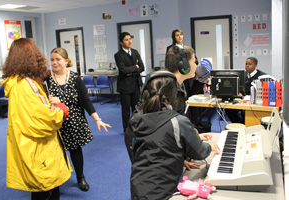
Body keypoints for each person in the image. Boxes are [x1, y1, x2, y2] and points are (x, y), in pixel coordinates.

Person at [129, 71, 221, 200]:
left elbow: (156, 144)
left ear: (146, 94)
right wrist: (209, 147)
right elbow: (199, 152)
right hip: (162, 191)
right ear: (175, 96)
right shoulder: (177, 122)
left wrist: (180, 157)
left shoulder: (138, 120)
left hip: (138, 187)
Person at [1, 38, 72, 200]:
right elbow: (44, 120)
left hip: (28, 146)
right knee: (47, 192)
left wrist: (48, 103)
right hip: (40, 150)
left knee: (40, 192)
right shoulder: (26, 85)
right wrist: (61, 109)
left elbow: (34, 111)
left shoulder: (16, 83)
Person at [45, 47, 111, 192]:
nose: (54, 63)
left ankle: (80, 177)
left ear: (66, 61)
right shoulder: (46, 79)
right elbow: (40, 102)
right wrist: (49, 102)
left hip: (74, 121)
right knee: (55, 152)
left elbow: (86, 101)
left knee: (75, 151)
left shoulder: (75, 78)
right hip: (55, 122)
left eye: (58, 59)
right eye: (52, 60)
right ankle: (56, 179)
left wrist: (97, 119)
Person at [114, 32, 145, 132]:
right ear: (121, 42)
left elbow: (142, 67)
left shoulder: (135, 52)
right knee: (126, 109)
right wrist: (134, 68)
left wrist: (131, 70)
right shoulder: (118, 55)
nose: (129, 41)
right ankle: (127, 129)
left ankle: (136, 126)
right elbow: (123, 70)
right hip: (125, 86)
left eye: (130, 39)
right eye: (126, 39)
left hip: (136, 84)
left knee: (136, 108)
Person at [226, 57, 266, 123]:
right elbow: (238, 87)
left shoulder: (261, 76)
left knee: (244, 112)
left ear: (255, 66)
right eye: (246, 64)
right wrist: (238, 93)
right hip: (242, 100)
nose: (247, 66)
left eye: (250, 64)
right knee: (229, 110)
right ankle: (239, 124)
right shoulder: (242, 75)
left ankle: (244, 125)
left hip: (254, 102)